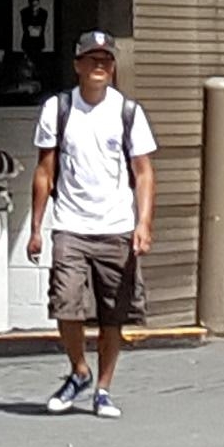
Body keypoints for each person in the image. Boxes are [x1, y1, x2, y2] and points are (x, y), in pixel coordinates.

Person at [29, 29, 159, 418]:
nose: (98, 66)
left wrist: (144, 222)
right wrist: (37, 227)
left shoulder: (128, 112)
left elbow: (144, 172)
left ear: (113, 66)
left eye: (105, 60)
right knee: (66, 304)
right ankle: (79, 370)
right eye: (91, 59)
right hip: (70, 223)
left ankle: (103, 387)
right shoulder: (58, 108)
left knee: (113, 313)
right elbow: (44, 170)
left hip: (116, 225)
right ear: (77, 65)